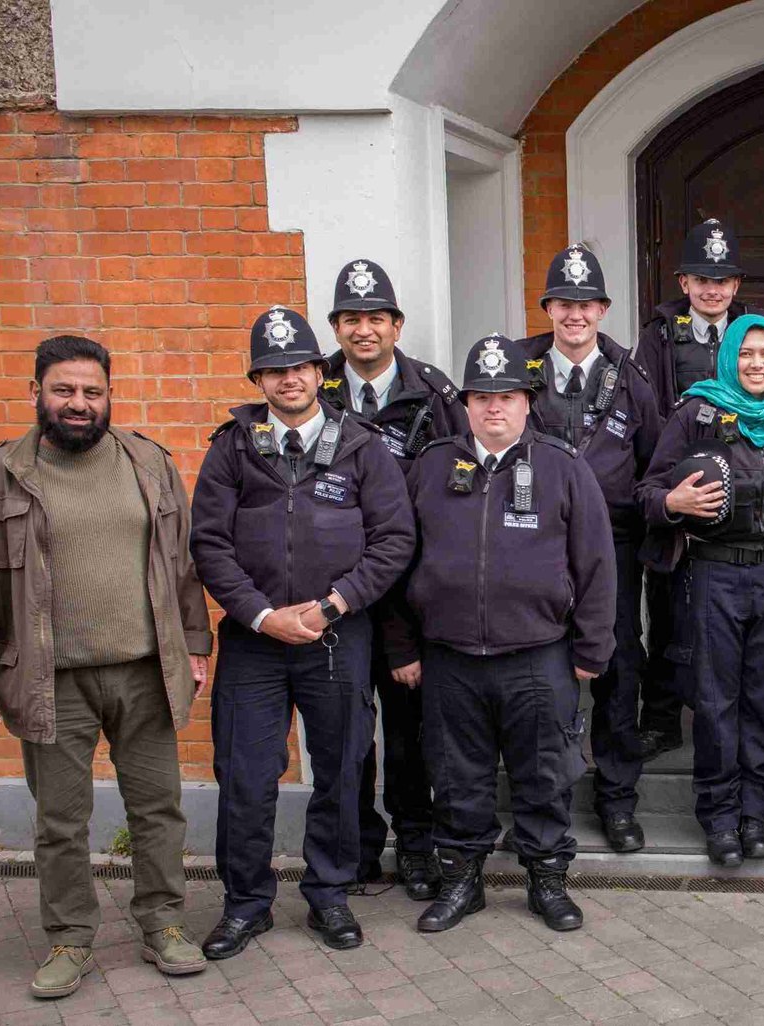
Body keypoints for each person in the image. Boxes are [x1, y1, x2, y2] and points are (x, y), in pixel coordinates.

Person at [0, 336, 213, 999]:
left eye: (93, 391)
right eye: (64, 390)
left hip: (144, 672)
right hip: (49, 678)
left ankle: (163, 923)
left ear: (110, 395)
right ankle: (69, 936)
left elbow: (181, 564)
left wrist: (195, 642)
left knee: (159, 809)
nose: (79, 403)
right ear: (36, 393)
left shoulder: (149, 463)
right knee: (60, 820)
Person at [190, 306, 414, 956]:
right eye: (274, 370)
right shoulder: (232, 448)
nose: (288, 379)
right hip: (254, 643)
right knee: (246, 775)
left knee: (341, 771)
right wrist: (263, 615)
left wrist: (333, 606)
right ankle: (245, 905)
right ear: (258, 380)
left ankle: (330, 896)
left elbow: (394, 540)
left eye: (300, 367)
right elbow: (209, 544)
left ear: (320, 372)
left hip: (337, 638)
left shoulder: (362, 446)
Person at [388, 334, 616, 934]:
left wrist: (592, 646)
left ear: (527, 402)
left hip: (538, 655)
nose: (495, 407)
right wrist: (403, 646)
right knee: (456, 777)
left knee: (544, 775)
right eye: (482, 396)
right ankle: (463, 883)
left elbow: (596, 563)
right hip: (449, 657)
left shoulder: (562, 467)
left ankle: (547, 882)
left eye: (507, 396)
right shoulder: (431, 467)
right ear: (465, 403)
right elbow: (398, 561)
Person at [639, 314, 764, 867]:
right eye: (745, 353)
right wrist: (672, 503)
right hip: (714, 574)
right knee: (716, 703)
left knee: (762, 701)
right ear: (728, 357)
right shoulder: (697, 412)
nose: (756, 363)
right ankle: (718, 816)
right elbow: (648, 488)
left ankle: (754, 815)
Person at [320, 257, 466, 898]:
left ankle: (415, 843)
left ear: (397, 325)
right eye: (351, 319)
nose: (364, 330)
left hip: (409, 594)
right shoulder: (312, 389)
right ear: (336, 327)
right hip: (336, 596)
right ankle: (356, 846)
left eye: (376, 317)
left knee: (411, 735)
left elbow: (460, 484)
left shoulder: (434, 395)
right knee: (346, 733)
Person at [522, 243, 662, 854]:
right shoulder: (518, 370)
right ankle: (542, 801)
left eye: (586, 304)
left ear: (603, 310)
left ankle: (617, 798)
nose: (574, 314)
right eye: (564, 302)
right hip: (534, 547)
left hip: (614, 551)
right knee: (537, 672)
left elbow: (654, 462)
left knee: (618, 667)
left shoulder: (631, 378)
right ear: (548, 308)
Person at [634, 218, 749, 761]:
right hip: (678, 490)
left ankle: (746, 720)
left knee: (738, 619)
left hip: (742, 492)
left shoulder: (752, 332)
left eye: (722, 280)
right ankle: (661, 719)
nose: (712, 289)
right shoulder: (658, 335)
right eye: (702, 279)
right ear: (684, 282)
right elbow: (648, 412)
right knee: (668, 612)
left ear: (736, 285)